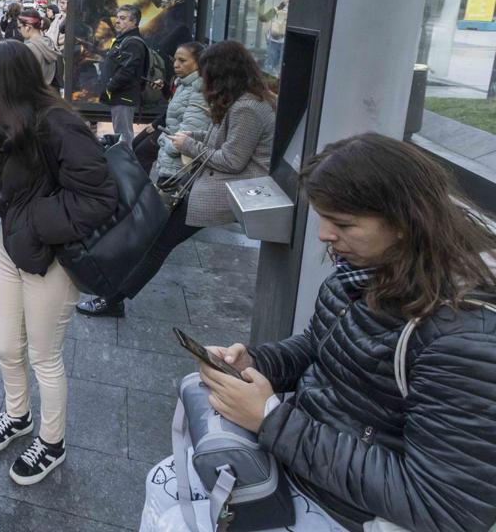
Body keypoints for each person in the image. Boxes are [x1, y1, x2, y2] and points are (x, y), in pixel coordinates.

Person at [141, 133, 496, 532]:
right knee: (165, 484)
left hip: (350, 511)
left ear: (405, 221)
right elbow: (322, 346)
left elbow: (445, 506)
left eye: (343, 223)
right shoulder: (368, 270)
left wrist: (271, 419)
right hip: (301, 465)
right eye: (322, 217)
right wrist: (258, 362)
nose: (325, 234)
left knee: (176, 521)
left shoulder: (465, 337)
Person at [0, 41, 117, 486]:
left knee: (44, 355)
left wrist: (31, 220)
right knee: (7, 346)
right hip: (11, 250)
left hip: (52, 259)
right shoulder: (4, 120)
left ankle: (51, 441)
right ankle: (17, 414)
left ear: (3, 81)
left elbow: (99, 198)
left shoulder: (60, 124)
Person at [79, 40, 274, 318]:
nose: (206, 82)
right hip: (213, 184)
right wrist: (192, 139)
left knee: (157, 243)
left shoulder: (247, 108)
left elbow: (232, 160)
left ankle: (113, 299)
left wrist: (188, 145)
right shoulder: (246, 101)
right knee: (157, 241)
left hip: (221, 191)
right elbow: (220, 142)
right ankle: (113, 298)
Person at [140, 41, 208, 180]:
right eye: (174, 59)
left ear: (199, 62)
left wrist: (166, 144)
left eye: (182, 60)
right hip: (170, 160)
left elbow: (190, 130)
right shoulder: (183, 84)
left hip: (178, 167)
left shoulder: (199, 90)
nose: (176, 64)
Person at [100, 5, 147, 146]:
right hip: (120, 96)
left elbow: (127, 70)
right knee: (121, 134)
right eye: (117, 17)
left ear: (134, 22)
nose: (117, 21)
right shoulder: (124, 40)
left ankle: (126, 165)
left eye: (123, 18)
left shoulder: (132, 43)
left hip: (124, 97)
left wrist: (109, 87)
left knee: (123, 137)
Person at [18, 7, 60, 87]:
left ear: (27, 27)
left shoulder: (28, 49)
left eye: (19, 27)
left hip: (34, 95)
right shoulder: (49, 42)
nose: (19, 31)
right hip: (49, 93)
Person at [260, 0, 289, 74]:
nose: (288, 0)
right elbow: (264, 19)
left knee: (281, 66)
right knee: (270, 64)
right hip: (273, 41)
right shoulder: (276, 9)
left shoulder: (294, 11)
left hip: (284, 42)